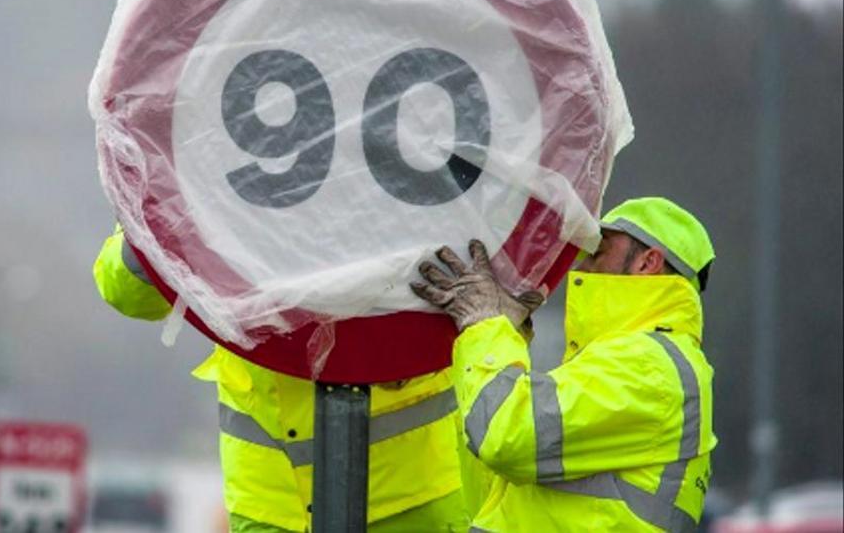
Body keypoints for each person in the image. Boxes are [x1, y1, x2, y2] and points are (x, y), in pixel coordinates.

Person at [94, 225, 471, 532]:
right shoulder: (204, 150)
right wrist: (152, 222)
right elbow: (131, 296)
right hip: (268, 502)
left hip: (412, 494)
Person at [411, 196, 716, 532]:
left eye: (598, 252)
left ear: (648, 262)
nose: (580, 268)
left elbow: (505, 436)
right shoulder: (634, 358)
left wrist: (486, 325)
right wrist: (506, 335)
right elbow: (497, 484)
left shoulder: (649, 366)